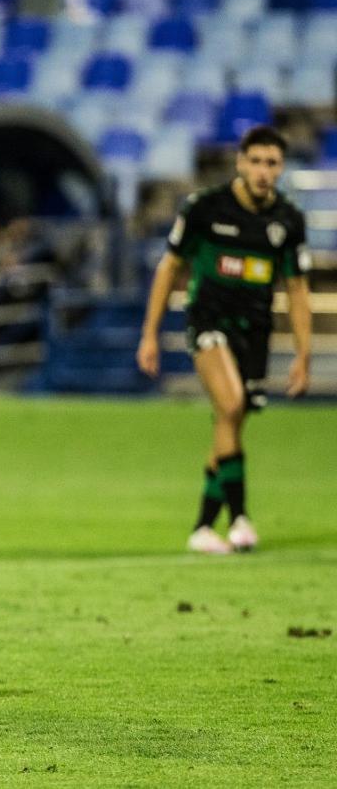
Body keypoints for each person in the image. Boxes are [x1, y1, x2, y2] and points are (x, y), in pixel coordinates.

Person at [137, 125, 312, 555]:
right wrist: (150, 333)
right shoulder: (205, 208)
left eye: (272, 163)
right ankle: (239, 518)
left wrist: (304, 353)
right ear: (240, 163)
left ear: (281, 168)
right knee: (231, 405)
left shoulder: (288, 220)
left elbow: (296, 288)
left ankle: (202, 527)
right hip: (208, 320)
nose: (263, 171)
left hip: (255, 331)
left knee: (229, 424)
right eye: (256, 161)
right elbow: (169, 266)